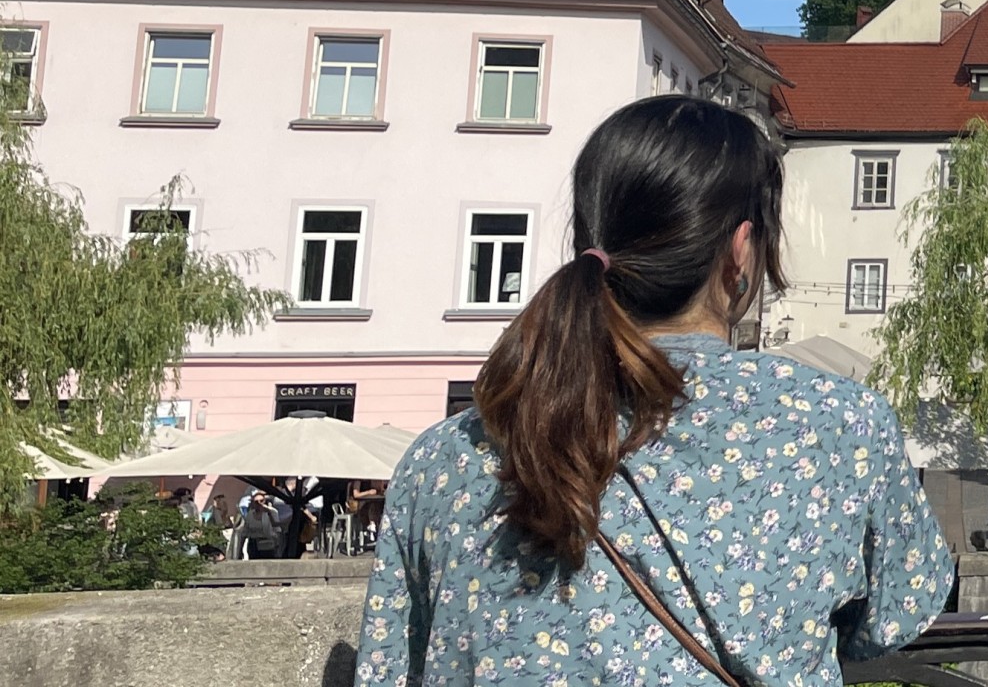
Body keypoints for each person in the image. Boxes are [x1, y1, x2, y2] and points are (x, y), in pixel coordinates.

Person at [355, 96, 953, 686]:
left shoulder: (446, 456)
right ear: (741, 251)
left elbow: (390, 664)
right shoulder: (839, 426)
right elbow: (891, 617)